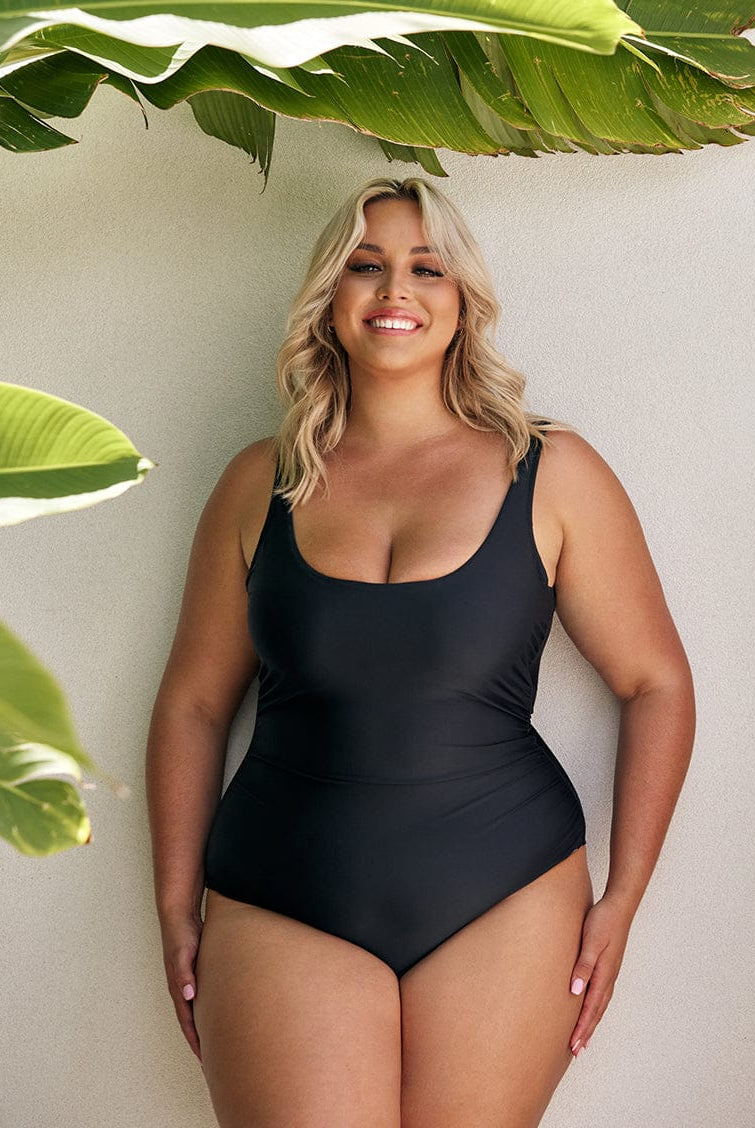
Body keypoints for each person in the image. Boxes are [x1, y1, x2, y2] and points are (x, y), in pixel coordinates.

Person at [145, 176, 696, 1127]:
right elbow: (193, 704)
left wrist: (625, 895)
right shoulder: (257, 482)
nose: (395, 289)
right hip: (280, 889)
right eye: (366, 266)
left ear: (461, 299)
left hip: (505, 888)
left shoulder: (551, 470)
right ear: (331, 296)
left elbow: (655, 682)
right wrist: (171, 902)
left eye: (426, 268)